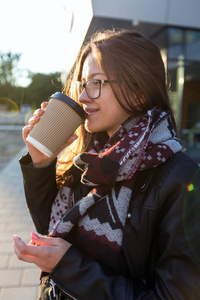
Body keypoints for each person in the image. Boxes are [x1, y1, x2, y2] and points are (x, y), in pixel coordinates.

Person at [13, 29, 200, 300]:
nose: (84, 96)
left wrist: (68, 266)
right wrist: (41, 164)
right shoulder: (90, 160)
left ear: (138, 92)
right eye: (82, 83)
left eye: (96, 83)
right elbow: (51, 231)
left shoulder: (181, 179)